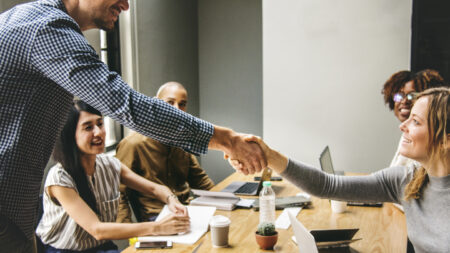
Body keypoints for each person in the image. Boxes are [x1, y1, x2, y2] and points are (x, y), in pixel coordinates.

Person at [0, 0, 264, 251]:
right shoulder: (47, 28)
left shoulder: (33, 23)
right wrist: (228, 140)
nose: (126, 5)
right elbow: (129, 105)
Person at [232, 87, 450, 253]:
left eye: (416, 122)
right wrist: (269, 156)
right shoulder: (407, 180)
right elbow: (325, 185)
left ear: (446, 140)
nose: (403, 126)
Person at [35, 100, 190, 252]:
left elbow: (155, 189)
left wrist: (172, 199)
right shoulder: (59, 179)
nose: (98, 132)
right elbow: (97, 230)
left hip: (101, 246)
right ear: (69, 136)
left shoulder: (109, 164)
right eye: (88, 127)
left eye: (100, 124)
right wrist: (158, 228)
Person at [116, 82, 215, 222]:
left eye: (182, 104)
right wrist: (127, 229)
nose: (177, 110)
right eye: (170, 102)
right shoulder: (133, 144)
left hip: (187, 210)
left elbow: (199, 180)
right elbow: (118, 191)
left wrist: (223, 202)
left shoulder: (182, 139)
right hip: (156, 218)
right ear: (155, 103)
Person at [382, 69, 445, 167]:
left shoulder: (424, 140)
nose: (404, 101)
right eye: (399, 95)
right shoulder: (406, 133)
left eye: (412, 95)